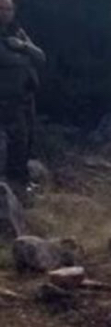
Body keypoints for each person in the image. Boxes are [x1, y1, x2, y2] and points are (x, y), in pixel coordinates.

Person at [0, 0, 42, 201]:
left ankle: (22, 183)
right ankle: (13, 186)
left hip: (26, 96)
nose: (6, 13)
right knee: (16, 140)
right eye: (1, 8)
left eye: (9, 9)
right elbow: (7, 60)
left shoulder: (18, 33)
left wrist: (24, 46)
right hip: (7, 99)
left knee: (28, 140)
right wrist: (25, 56)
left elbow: (41, 57)